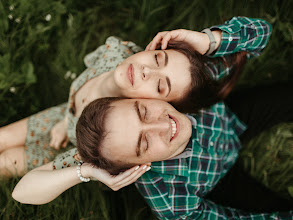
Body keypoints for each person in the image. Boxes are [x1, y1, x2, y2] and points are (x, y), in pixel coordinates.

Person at [0, 16, 271, 178]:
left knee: (4, 161)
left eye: (160, 87)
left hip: (71, 147)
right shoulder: (115, 51)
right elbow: (262, 30)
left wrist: (212, 42)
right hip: (62, 115)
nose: (145, 71)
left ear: (159, 104)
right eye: (157, 58)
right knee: (3, 137)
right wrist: (204, 40)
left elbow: (262, 34)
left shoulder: (109, 138)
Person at [13, 85, 293, 218]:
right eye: (144, 144)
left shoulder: (162, 81)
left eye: (144, 111)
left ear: (137, 95)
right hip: (218, 180)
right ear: (132, 167)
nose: (162, 125)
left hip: (229, 121)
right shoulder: (168, 197)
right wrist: (85, 171)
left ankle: (66, 114)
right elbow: (22, 192)